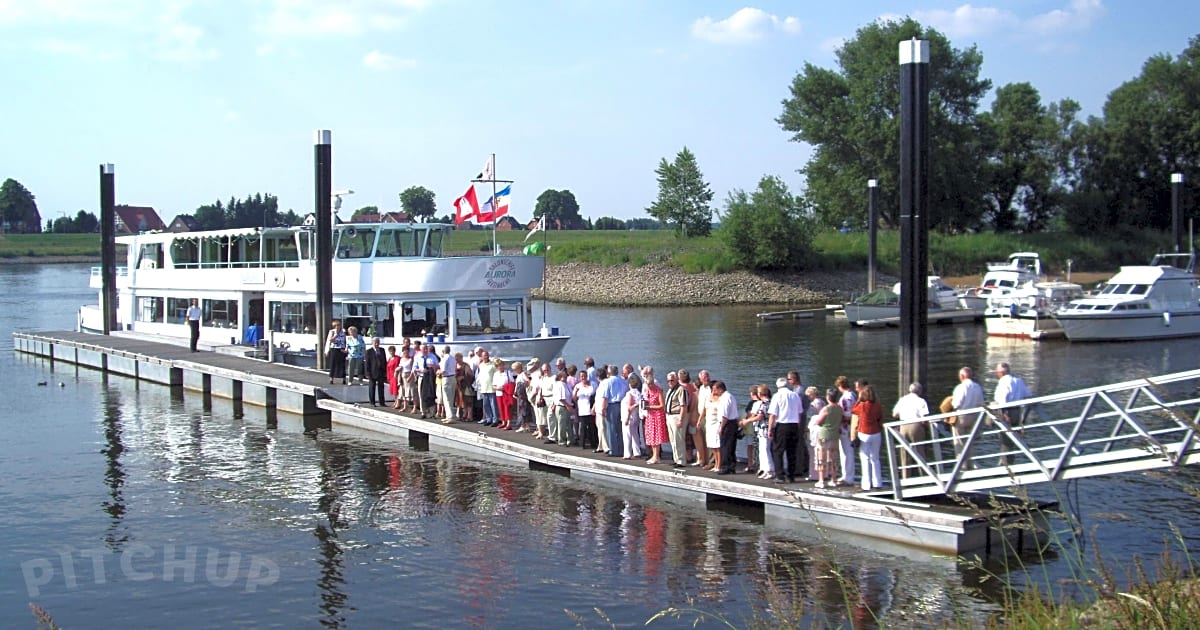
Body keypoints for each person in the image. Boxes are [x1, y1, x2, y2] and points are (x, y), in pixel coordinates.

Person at [767, 377, 804, 484]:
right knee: (791, 451)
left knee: (778, 451)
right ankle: (791, 475)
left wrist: (770, 429)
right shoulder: (795, 395)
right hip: (794, 425)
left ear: (778, 386)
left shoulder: (777, 396)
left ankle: (780, 475)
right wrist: (799, 427)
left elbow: (773, 414)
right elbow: (799, 412)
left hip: (782, 425)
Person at [892, 382, 930, 479]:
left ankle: (905, 478)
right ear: (920, 391)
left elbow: (894, 414)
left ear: (910, 390)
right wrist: (926, 427)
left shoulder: (902, 400)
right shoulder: (921, 401)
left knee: (904, 452)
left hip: (903, 425)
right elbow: (924, 416)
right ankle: (924, 476)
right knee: (920, 451)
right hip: (916, 425)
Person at [850, 384, 885, 491]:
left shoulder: (863, 405)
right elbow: (880, 417)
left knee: (865, 458)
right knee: (875, 458)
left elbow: (853, 410)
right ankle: (878, 482)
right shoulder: (877, 405)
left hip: (864, 433)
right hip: (876, 432)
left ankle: (866, 484)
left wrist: (859, 400)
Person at [950, 366, 986, 468]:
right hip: (974, 416)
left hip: (962, 416)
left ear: (962, 376)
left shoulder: (960, 387)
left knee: (959, 441)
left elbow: (956, 404)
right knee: (969, 442)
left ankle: (962, 466)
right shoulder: (977, 386)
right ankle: (970, 463)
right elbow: (981, 402)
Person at [813, 389, 844, 488]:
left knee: (821, 458)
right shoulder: (839, 408)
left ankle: (821, 480)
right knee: (833, 458)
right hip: (835, 435)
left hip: (824, 435)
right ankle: (833, 479)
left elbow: (818, 422)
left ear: (828, 397)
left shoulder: (826, 409)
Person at [596, 365, 628, 457]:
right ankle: (621, 449)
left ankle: (613, 450)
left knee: (611, 428)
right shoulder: (622, 381)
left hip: (612, 405)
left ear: (608, 373)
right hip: (621, 404)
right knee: (620, 429)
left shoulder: (608, 382)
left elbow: (605, 396)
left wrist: (603, 408)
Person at [834, 375, 858, 487]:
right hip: (847, 427)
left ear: (840, 386)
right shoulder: (852, 394)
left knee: (847, 452)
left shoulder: (846, 397)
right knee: (845, 452)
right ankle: (845, 475)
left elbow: (848, 414)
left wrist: (838, 416)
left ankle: (849, 477)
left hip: (846, 428)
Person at [663, 372, 690, 468]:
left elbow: (684, 406)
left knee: (678, 439)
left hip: (677, 415)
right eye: (668, 381)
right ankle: (676, 458)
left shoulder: (681, 390)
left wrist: (680, 419)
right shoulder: (670, 390)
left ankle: (681, 460)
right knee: (672, 439)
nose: (670, 382)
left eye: (672, 380)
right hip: (669, 416)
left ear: (677, 380)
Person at [713, 381, 740, 474]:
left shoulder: (725, 398)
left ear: (720, 389)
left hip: (727, 423)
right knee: (731, 446)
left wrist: (721, 427)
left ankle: (725, 467)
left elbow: (724, 415)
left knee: (725, 446)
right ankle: (732, 466)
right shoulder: (731, 396)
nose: (713, 391)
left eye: (715, 389)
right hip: (733, 423)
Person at [642, 373, 667, 464]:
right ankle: (654, 455)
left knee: (656, 436)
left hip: (657, 415)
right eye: (648, 384)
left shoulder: (658, 391)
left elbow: (662, 405)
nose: (650, 386)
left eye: (651, 384)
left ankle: (657, 456)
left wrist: (650, 407)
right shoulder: (647, 391)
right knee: (651, 436)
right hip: (650, 416)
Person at [620, 373, 644, 459]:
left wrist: (626, 418)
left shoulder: (629, 394)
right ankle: (637, 452)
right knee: (635, 434)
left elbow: (630, 407)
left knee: (627, 435)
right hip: (636, 417)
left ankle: (627, 453)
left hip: (629, 417)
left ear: (629, 384)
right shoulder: (639, 393)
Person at [550, 369, 575, 446]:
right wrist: (568, 406)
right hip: (562, 406)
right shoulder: (560, 385)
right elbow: (561, 398)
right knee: (562, 425)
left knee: (568, 424)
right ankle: (562, 440)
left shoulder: (566, 384)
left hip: (567, 405)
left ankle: (570, 439)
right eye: (564, 376)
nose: (566, 377)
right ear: (560, 377)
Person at [574, 372, 597, 449]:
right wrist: (576, 392)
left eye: (584, 376)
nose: (583, 378)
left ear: (587, 376)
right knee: (583, 427)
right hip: (582, 409)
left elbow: (594, 394)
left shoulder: (593, 384)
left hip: (590, 408)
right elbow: (574, 398)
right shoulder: (578, 386)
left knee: (591, 427)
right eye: (581, 376)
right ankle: (582, 444)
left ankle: (593, 444)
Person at [363, 337, 389, 407]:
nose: (377, 344)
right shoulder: (369, 351)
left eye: (378, 342)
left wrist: (385, 371)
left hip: (381, 371)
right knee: (372, 387)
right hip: (372, 371)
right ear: (372, 343)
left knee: (381, 387)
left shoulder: (382, 350)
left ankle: (382, 402)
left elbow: (384, 361)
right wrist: (367, 373)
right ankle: (372, 402)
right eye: (375, 342)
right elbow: (367, 363)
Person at [476, 351, 498, 427]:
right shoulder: (481, 365)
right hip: (484, 387)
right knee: (486, 405)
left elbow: (497, 374)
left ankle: (495, 420)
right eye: (484, 356)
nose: (486, 357)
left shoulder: (492, 365)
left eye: (487, 355)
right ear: (482, 357)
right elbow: (480, 375)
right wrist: (478, 383)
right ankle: (489, 419)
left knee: (493, 405)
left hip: (491, 387)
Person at [439, 346, 457, 424]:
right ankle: (449, 415)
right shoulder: (452, 358)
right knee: (451, 397)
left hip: (447, 378)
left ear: (443, 351)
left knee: (447, 398)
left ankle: (450, 417)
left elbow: (443, 370)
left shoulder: (445, 359)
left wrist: (438, 372)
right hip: (453, 377)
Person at [325, 319, 347, 384]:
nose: (337, 327)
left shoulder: (343, 332)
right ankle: (331, 379)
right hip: (334, 349)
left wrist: (346, 349)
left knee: (342, 364)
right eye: (335, 326)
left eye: (338, 325)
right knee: (333, 364)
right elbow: (330, 340)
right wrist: (335, 335)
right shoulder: (332, 332)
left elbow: (345, 341)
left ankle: (344, 379)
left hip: (341, 349)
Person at [456, 353, 476, 423]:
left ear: (461, 358)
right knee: (462, 401)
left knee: (469, 401)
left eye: (458, 358)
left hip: (467, 385)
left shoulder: (466, 365)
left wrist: (463, 377)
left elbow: (471, 375)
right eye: (456, 359)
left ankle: (469, 416)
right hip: (459, 386)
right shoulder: (455, 366)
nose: (457, 360)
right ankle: (464, 414)